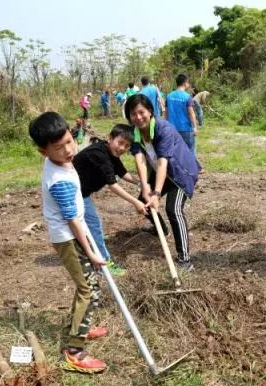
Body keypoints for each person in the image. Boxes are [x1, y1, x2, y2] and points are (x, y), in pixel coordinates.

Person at [28, 111, 107, 373]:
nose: (69, 150)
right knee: (89, 289)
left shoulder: (62, 162)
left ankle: (80, 324)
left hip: (74, 232)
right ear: (44, 152)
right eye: (59, 148)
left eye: (69, 141)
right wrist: (92, 252)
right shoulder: (58, 180)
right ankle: (74, 350)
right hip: (68, 237)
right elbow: (72, 220)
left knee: (86, 285)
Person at [125, 94, 201, 271]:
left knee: (173, 208)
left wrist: (157, 193)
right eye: (133, 114)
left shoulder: (163, 128)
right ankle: (162, 230)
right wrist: (145, 186)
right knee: (144, 202)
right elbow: (140, 159)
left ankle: (185, 261)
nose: (138, 117)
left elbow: (162, 162)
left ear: (150, 111)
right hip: (162, 173)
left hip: (180, 172)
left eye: (141, 112)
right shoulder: (134, 132)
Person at [73, 124, 147, 277]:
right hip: (74, 194)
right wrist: (136, 202)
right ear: (110, 138)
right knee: (94, 225)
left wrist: (141, 184)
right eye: (120, 143)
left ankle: (88, 245)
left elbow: (122, 172)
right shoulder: (99, 154)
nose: (122, 148)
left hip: (82, 193)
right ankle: (104, 264)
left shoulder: (111, 152)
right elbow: (113, 185)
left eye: (126, 146)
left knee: (90, 225)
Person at [165, 74, 198, 155]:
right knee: (190, 151)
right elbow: (191, 114)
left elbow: (166, 113)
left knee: (175, 152)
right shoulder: (187, 97)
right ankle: (191, 167)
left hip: (172, 129)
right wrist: (195, 127)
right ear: (184, 83)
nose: (188, 84)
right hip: (186, 129)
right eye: (188, 82)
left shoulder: (169, 96)